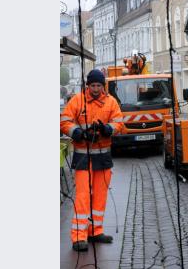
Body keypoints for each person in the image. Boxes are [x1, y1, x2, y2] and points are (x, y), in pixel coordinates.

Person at [60, 69, 124, 252]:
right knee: (82, 196)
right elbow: (64, 121)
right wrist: (78, 133)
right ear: (88, 86)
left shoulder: (111, 102)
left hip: (103, 157)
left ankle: (95, 231)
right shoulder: (77, 100)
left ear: (103, 86)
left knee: (100, 196)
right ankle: (79, 237)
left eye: (98, 85)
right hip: (83, 156)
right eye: (92, 85)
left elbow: (120, 122)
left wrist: (108, 129)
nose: (95, 89)